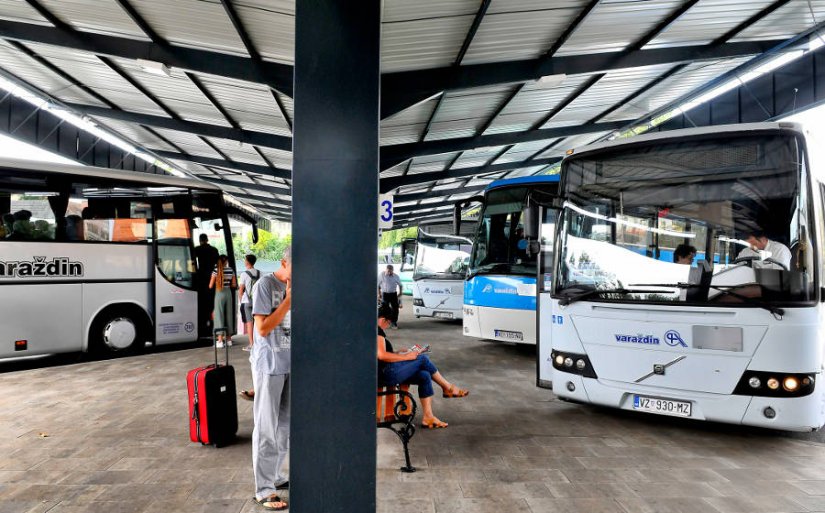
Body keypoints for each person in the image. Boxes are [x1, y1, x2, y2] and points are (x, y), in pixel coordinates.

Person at [377, 304, 468, 429]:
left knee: (424, 376)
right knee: (423, 359)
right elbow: (382, 356)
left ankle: (428, 417)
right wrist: (406, 357)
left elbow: (379, 354)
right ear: (383, 320)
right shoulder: (377, 330)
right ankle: (447, 387)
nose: (388, 326)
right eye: (389, 323)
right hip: (385, 373)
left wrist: (397, 353)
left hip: (386, 370)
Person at [250, 247, 292, 510]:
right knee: (266, 428)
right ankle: (263, 490)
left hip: (290, 364)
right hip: (269, 365)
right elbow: (262, 328)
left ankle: (275, 476)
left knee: (284, 427)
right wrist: (288, 301)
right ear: (283, 262)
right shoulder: (265, 285)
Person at [209, 254, 236, 348]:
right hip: (228, 294)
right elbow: (234, 284)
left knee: (219, 316)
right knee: (229, 315)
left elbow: (210, 286)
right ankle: (229, 340)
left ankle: (220, 341)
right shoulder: (230, 270)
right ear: (226, 262)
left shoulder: (216, 271)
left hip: (219, 294)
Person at [194, 233, 219, 333]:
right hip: (212, 276)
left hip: (201, 278)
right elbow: (218, 263)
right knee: (211, 301)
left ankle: (203, 322)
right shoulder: (214, 250)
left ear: (200, 240)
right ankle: (212, 322)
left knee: (202, 301)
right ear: (207, 239)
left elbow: (191, 261)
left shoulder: (197, 249)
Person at [238, 254, 261, 352]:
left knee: (249, 324)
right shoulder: (260, 273)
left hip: (247, 302)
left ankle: (252, 344)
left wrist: (240, 301)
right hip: (257, 301)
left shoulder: (244, 274)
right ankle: (258, 343)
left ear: (247, 262)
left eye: (245, 260)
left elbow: (241, 290)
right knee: (257, 323)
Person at [378, 264, 402, 329]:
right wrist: (379, 293)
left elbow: (400, 285)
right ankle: (386, 321)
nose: (389, 273)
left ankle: (393, 322)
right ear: (386, 269)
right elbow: (377, 285)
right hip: (385, 294)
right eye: (388, 271)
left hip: (393, 294)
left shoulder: (396, 276)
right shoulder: (381, 275)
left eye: (390, 271)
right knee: (385, 308)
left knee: (395, 308)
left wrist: (400, 292)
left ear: (392, 271)